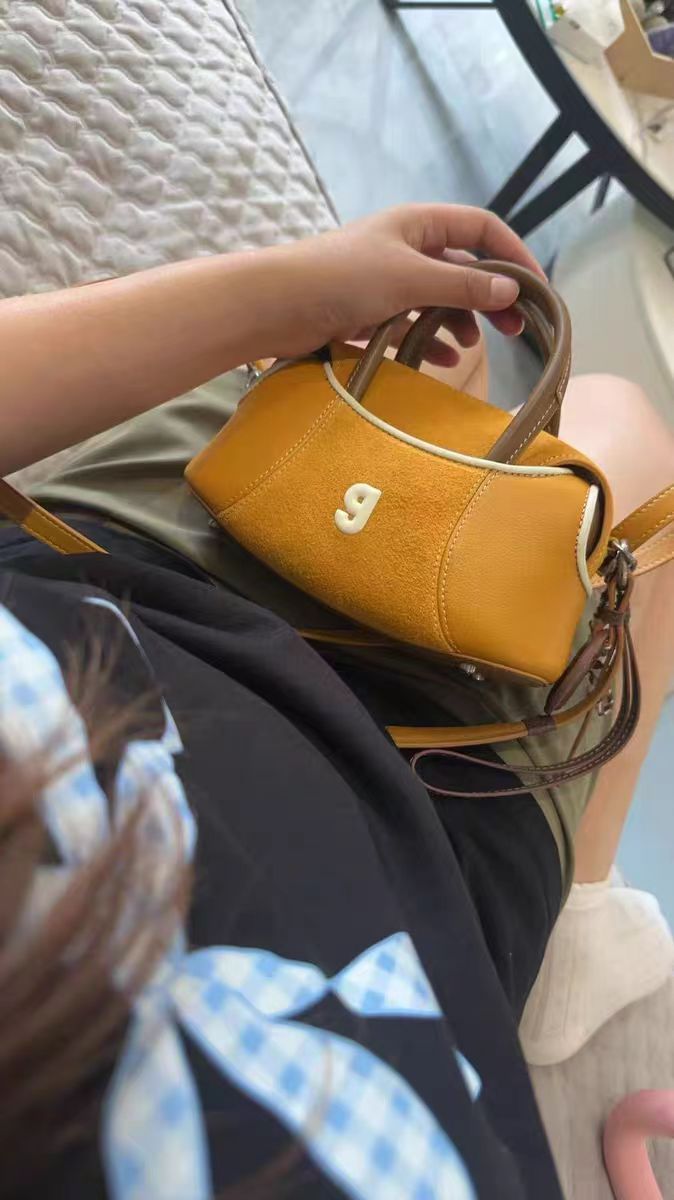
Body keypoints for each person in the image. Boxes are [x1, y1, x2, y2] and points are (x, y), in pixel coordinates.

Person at [0, 204, 672, 1200]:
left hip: (133, 565)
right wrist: (299, 292)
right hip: (432, 795)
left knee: (421, 372)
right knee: (623, 429)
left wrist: (304, 292)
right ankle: (583, 900)